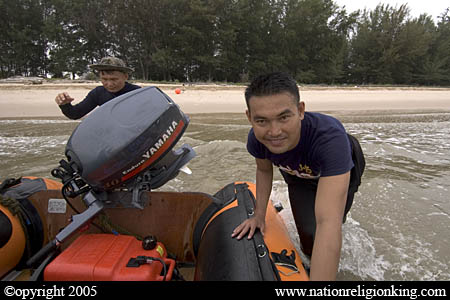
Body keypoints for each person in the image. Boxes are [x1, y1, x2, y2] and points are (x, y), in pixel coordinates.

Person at [231, 72, 365, 280]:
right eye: (262, 121)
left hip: (337, 166)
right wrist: (259, 216)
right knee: (308, 237)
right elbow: (265, 170)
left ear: (300, 110)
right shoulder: (257, 139)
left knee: (331, 222)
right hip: (298, 174)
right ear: (249, 117)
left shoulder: (329, 139)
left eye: (284, 117)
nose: (274, 132)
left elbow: (327, 222)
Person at [55, 57, 141, 119]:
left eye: (114, 79)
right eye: (104, 79)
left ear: (125, 76)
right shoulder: (98, 93)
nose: (109, 84)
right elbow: (75, 114)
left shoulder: (138, 93)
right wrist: (65, 105)